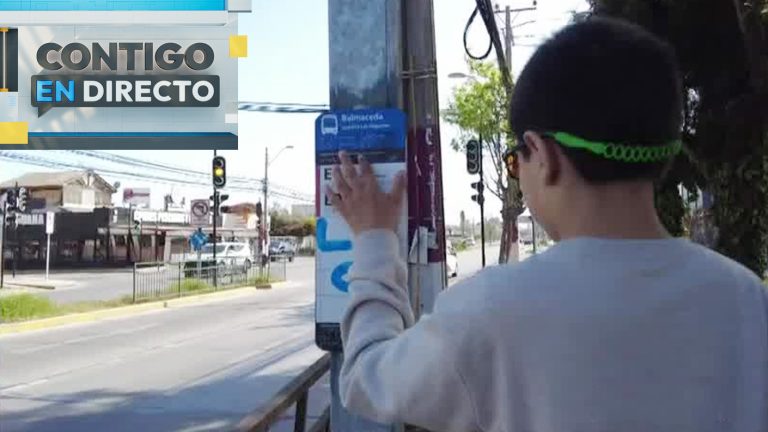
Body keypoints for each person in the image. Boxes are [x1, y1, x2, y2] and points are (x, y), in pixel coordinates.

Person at [325, 17, 768, 432]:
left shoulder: (493, 311)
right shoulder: (747, 300)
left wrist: (374, 239)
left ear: (546, 156)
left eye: (517, 160)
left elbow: (366, 378)